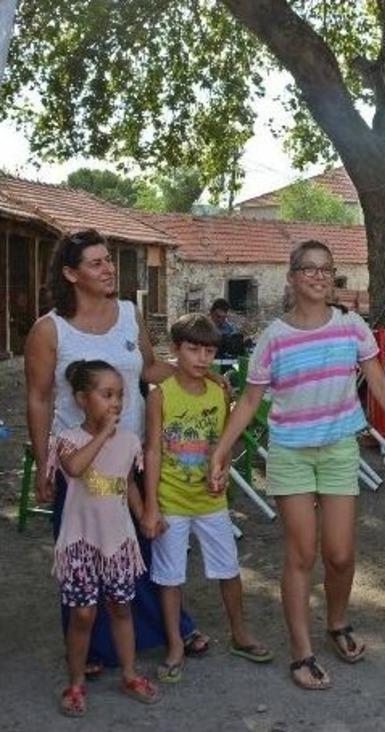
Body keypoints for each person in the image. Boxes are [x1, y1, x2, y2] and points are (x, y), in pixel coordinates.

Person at [209, 240, 385, 691]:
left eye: (325, 268)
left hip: (338, 450)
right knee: (300, 553)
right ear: (292, 278)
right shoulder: (274, 337)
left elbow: (378, 381)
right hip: (291, 453)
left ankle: (337, 622)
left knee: (340, 553)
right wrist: (220, 451)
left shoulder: (352, 328)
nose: (317, 275)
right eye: (307, 269)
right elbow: (251, 399)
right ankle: (301, 651)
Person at [24, 229, 207, 675]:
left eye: (109, 260)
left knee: (142, 546)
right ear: (70, 273)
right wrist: (45, 465)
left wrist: (197, 373)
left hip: (134, 456)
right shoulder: (49, 330)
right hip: (82, 466)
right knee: (86, 551)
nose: (109, 269)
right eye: (96, 263)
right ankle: (87, 651)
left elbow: (147, 368)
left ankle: (167, 628)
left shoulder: (129, 314)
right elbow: (39, 397)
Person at [142, 314, 271, 684]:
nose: (201, 358)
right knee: (169, 577)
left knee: (228, 569)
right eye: (193, 349)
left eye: (209, 350)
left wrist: (223, 472)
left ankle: (240, 634)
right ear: (176, 350)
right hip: (171, 500)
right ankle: (174, 644)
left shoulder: (220, 391)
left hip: (211, 501)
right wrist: (151, 504)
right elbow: (152, 451)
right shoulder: (160, 396)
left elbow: (223, 441)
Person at [52, 360, 161, 716]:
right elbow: (75, 468)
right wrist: (101, 434)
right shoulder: (67, 440)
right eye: (107, 394)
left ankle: (129, 674)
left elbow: (127, 482)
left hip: (118, 543)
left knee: (121, 608)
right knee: (82, 614)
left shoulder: (129, 441)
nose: (116, 402)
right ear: (82, 399)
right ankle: (76, 681)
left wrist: (146, 511)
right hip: (81, 543)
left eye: (121, 396)